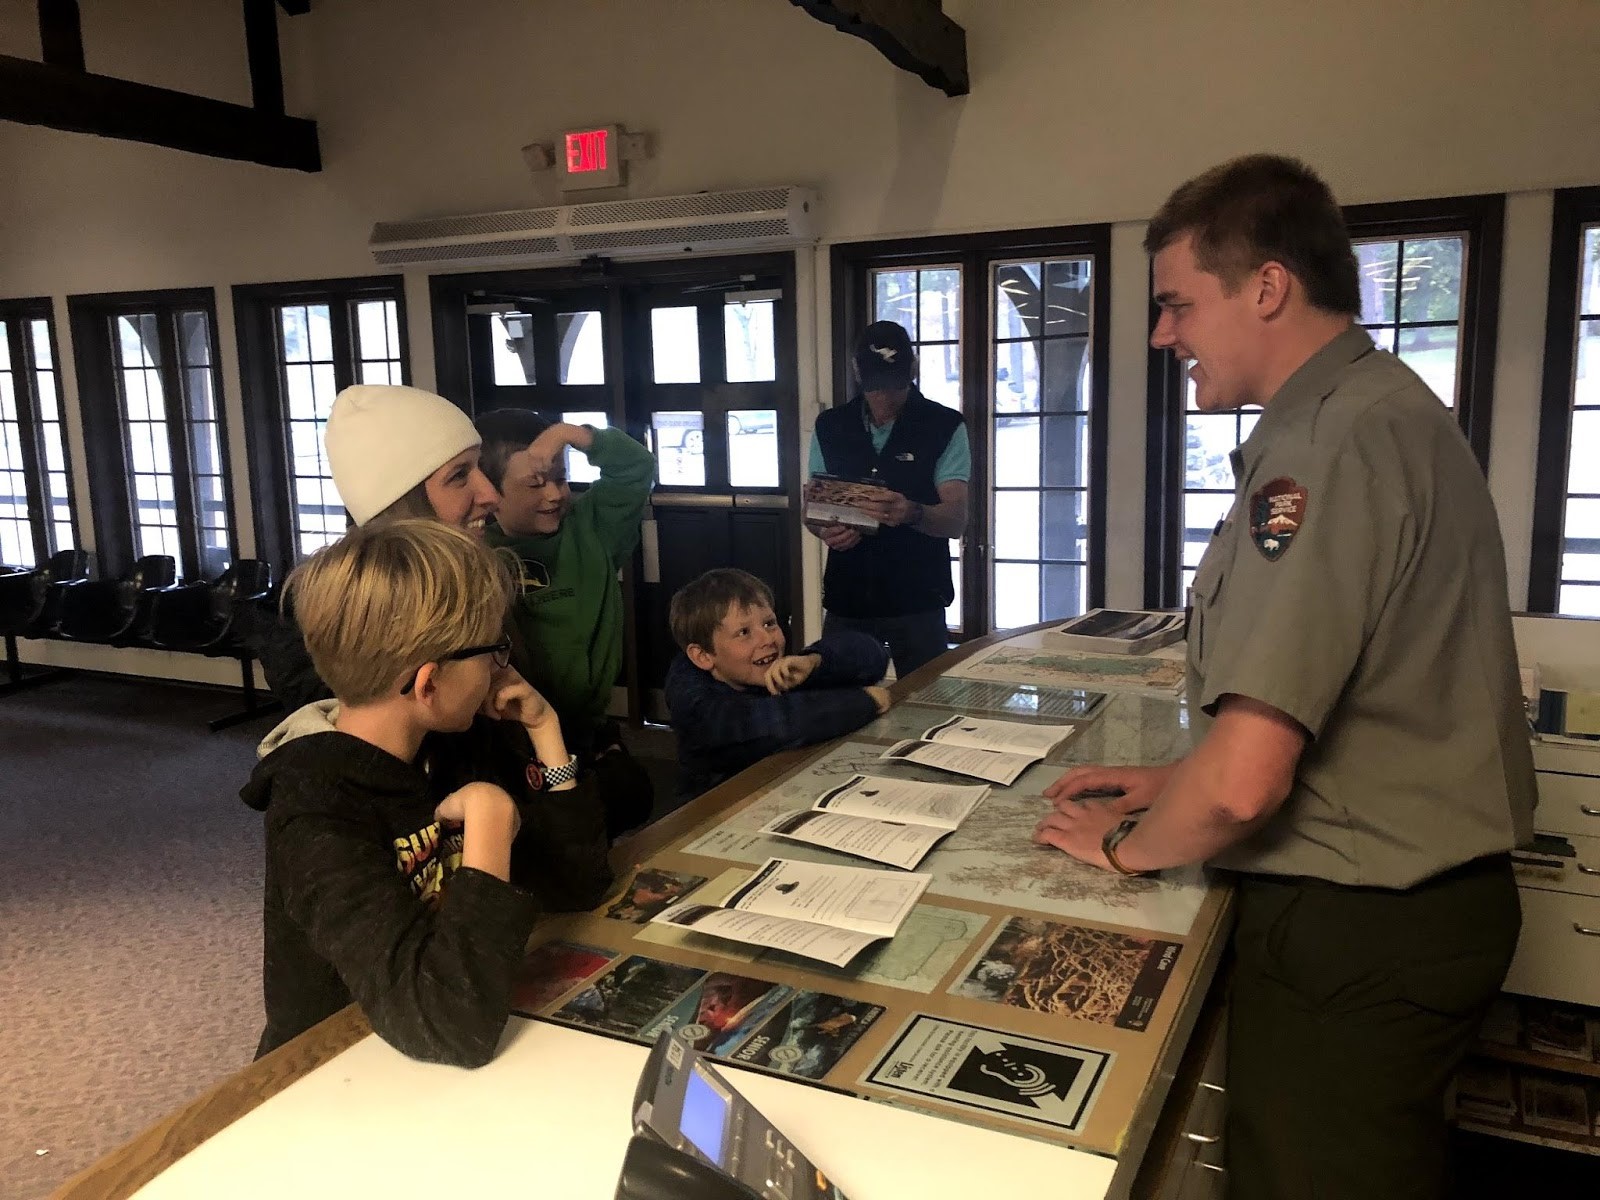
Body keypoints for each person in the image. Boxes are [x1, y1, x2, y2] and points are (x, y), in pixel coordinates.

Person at [1031, 154, 1535, 1200]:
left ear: (1265, 287)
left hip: (1362, 925)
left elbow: (1247, 785)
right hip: (1417, 906)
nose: (1163, 334)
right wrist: (1177, 776)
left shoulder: (1328, 444)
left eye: (1177, 304)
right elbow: (1361, 688)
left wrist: (1127, 854)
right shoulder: (1381, 402)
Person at [242, 519, 611, 1068]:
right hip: (332, 1075)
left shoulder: (447, 746)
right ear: (429, 684)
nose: (500, 667)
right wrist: (487, 824)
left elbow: (579, 884)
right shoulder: (316, 808)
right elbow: (451, 1024)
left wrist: (546, 731)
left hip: (428, 1057)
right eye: (494, 649)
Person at [251, 383, 501, 710]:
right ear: (402, 502)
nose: (490, 495)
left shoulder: (477, 585)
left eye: (479, 466)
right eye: (458, 475)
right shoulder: (330, 643)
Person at [474, 408, 656, 838]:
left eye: (560, 477)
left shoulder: (591, 528)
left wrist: (572, 433)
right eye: (535, 484)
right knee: (551, 839)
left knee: (617, 814)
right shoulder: (479, 554)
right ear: (490, 493)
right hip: (514, 738)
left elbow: (636, 468)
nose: (555, 494)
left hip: (588, 726)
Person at [804, 320, 970, 677]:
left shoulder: (945, 425)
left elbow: (956, 519)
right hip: (848, 596)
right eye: (874, 384)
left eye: (892, 385)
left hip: (919, 597)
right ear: (856, 372)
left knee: (925, 704)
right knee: (838, 701)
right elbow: (812, 511)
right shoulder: (830, 425)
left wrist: (913, 513)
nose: (883, 397)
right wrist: (825, 530)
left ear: (913, 368)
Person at [664, 567, 890, 801]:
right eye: (744, 632)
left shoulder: (771, 671)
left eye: (769, 623)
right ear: (703, 656)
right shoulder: (697, 705)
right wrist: (863, 702)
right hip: (711, 816)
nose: (767, 639)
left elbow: (873, 656)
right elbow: (775, 724)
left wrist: (815, 661)